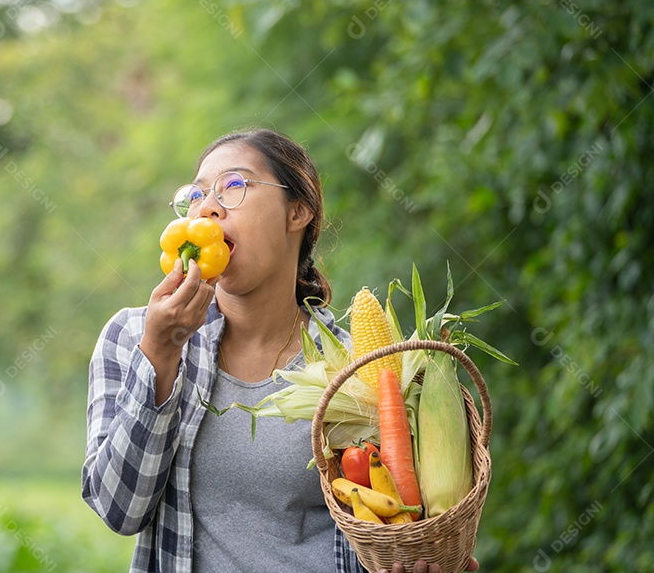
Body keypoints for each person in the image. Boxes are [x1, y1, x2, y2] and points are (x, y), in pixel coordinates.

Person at [81, 128, 478, 573]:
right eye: (195, 195)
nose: (207, 206)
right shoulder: (134, 336)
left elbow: (398, 520)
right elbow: (119, 509)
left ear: (298, 211)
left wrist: (420, 558)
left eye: (233, 186)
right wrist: (160, 351)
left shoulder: (359, 369)